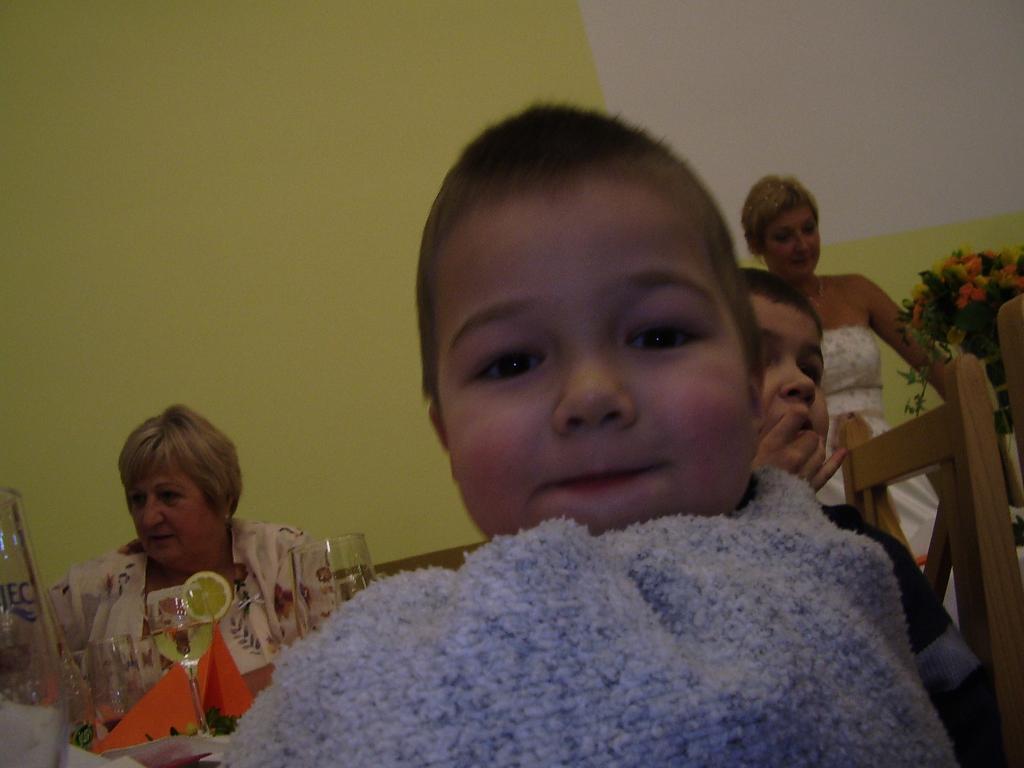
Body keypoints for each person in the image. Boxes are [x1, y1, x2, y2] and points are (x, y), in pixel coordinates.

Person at [225, 106, 955, 767]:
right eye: (512, 362)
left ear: (744, 389)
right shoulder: (374, 667)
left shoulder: (854, 574)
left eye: (659, 335)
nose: (593, 396)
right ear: (447, 436)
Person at [743, 267, 1005, 767]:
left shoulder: (868, 555)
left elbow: (963, 709)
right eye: (756, 362)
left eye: (812, 370)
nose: (801, 383)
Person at [741, 175, 943, 558]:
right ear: (757, 245)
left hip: (883, 446)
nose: (802, 245)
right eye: (783, 236)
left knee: (931, 546)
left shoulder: (857, 290)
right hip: (815, 450)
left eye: (808, 229)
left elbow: (933, 362)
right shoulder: (756, 311)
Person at [50, 404, 309, 693]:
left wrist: (190, 707)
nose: (148, 518)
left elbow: (325, 661)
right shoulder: (90, 587)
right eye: (138, 499)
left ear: (222, 497)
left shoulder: (281, 555)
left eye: (168, 496)